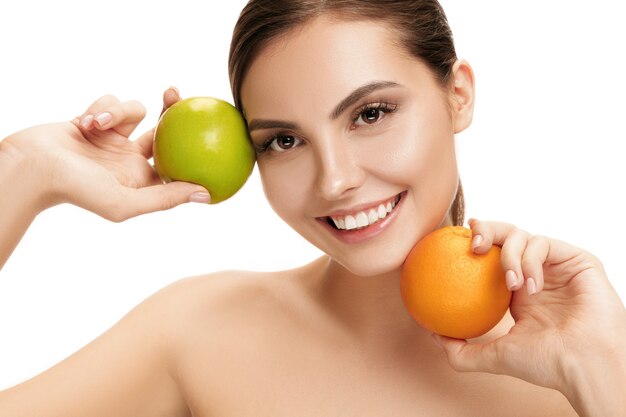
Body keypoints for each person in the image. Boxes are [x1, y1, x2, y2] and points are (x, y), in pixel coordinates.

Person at [1, 0, 625, 415]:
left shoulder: (570, 361)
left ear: (457, 95)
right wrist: (24, 172)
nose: (336, 181)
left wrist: (598, 370)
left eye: (371, 114)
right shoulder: (199, 333)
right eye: (285, 140)